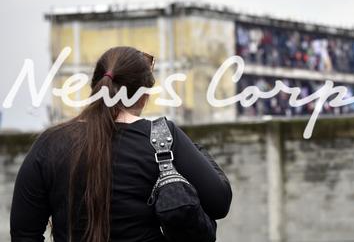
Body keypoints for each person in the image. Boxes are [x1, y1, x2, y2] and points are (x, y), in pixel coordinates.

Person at [10, 46, 232, 242]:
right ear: (144, 97)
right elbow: (220, 202)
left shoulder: (49, 143)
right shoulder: (163, 138)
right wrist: (193, 147)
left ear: (94, 88)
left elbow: (24, 233)